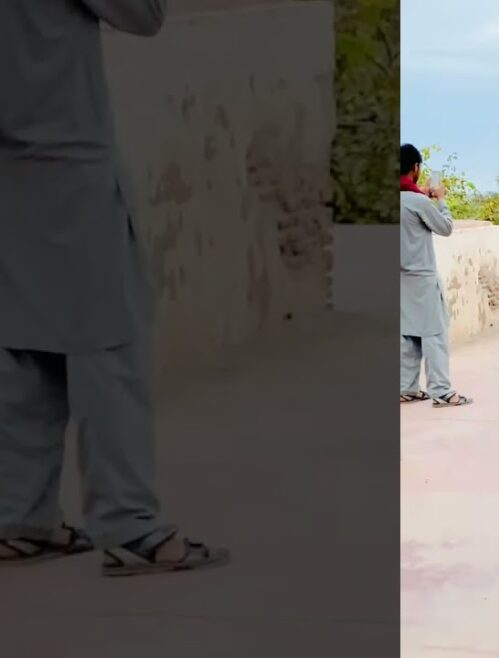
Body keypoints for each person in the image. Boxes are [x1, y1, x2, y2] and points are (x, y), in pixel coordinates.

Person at [0, 0, 229, 575]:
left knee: (23, 346)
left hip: (10, 168)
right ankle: (130, 526)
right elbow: (143, 14)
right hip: (68, 162)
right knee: (109, 347)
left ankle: (20, 520)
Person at [399, 144, 473, 407]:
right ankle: (441, 391)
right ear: (415, 167)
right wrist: (440, 200)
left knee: (407, 335)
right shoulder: (419, 202)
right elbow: (445, 227)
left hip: (400, 280)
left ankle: (406, 388)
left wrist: (423, 194)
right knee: (434, 334)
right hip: (422, 278)